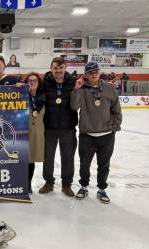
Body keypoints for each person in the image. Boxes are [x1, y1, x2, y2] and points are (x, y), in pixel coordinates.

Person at [71, 62, 122, 203]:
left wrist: (114, 128)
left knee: (104, 165)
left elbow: (116, 110)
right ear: (86, 74)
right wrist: (76, 89)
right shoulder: (82, 89)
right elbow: (74, 106)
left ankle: (101, 189)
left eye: (95, 71)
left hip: (106, 135)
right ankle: (84, 186)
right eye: (90, 72)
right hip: (87, 135)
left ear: (99, 72)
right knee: (84, 164)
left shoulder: (109, 88)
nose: (93, 74)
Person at [39, 57, 78, 197]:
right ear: (51, 69)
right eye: (55, 68)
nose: (58, 71)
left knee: (68, 157)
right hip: (49, 128)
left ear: (65, 68)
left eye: (61, 68)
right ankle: (49, 182)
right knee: (47, 157)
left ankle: (66, 184)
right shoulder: (44, 83)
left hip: (68, 127)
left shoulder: (73, 82)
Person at [24, 72, 45, 194]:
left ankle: (28, 183)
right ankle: (21, 182)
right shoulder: (21, 95)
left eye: (34, 80)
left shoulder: (43, 97)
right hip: (23, 130)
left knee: (31, 159)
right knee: (22, 158)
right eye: (29, 80)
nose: (32, 82)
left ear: (38, 83)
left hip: (37, 132)